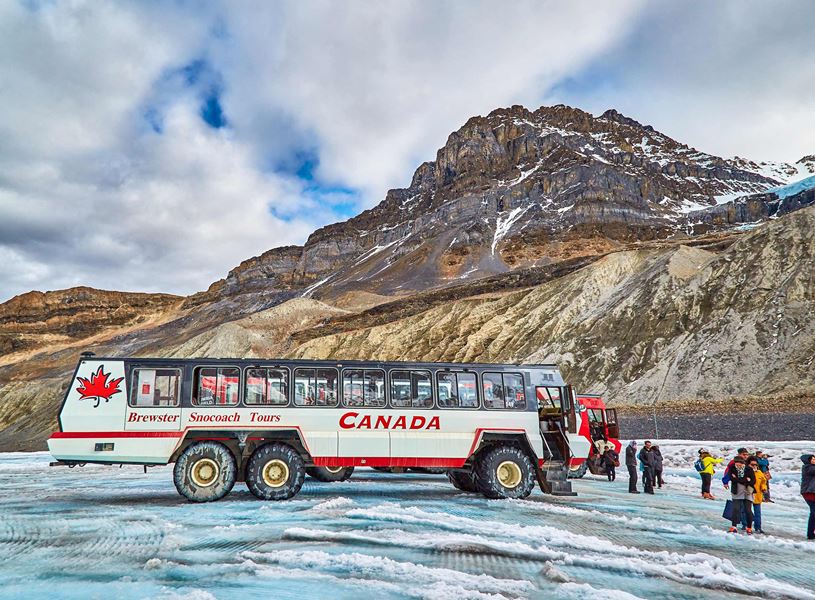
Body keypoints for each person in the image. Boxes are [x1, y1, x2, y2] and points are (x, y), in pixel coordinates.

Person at [726, 457, 756, 534]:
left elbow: (753, 481)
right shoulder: (732, 468)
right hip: (736, 490)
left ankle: (749, 527)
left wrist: (738, 479)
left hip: (747, 491)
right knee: (736, 509)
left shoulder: (749, 469)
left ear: (743, 463)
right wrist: (745, 479)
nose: (737, 465)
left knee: (748, 510)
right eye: (736, 463)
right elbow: (732, 479)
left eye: (739, 463)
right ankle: (734, 526)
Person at [748, 456, 768, 533]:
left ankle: (758, 527)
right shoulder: (746, 471)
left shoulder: (759, 473)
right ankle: (746, 525)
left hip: (757, 495)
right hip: (748, 494)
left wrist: (764, 488)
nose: (754, 466)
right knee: (747, 511)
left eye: (755, 465)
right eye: (752, 464)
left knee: (757, 513)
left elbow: (763, 482)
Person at [801, 453, 815, 540]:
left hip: (812, 492)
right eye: (813, 459)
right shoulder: (808, 467)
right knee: (814, 512)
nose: (814, 460)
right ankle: (810, 534)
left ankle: (811, 532)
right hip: (809, 492)